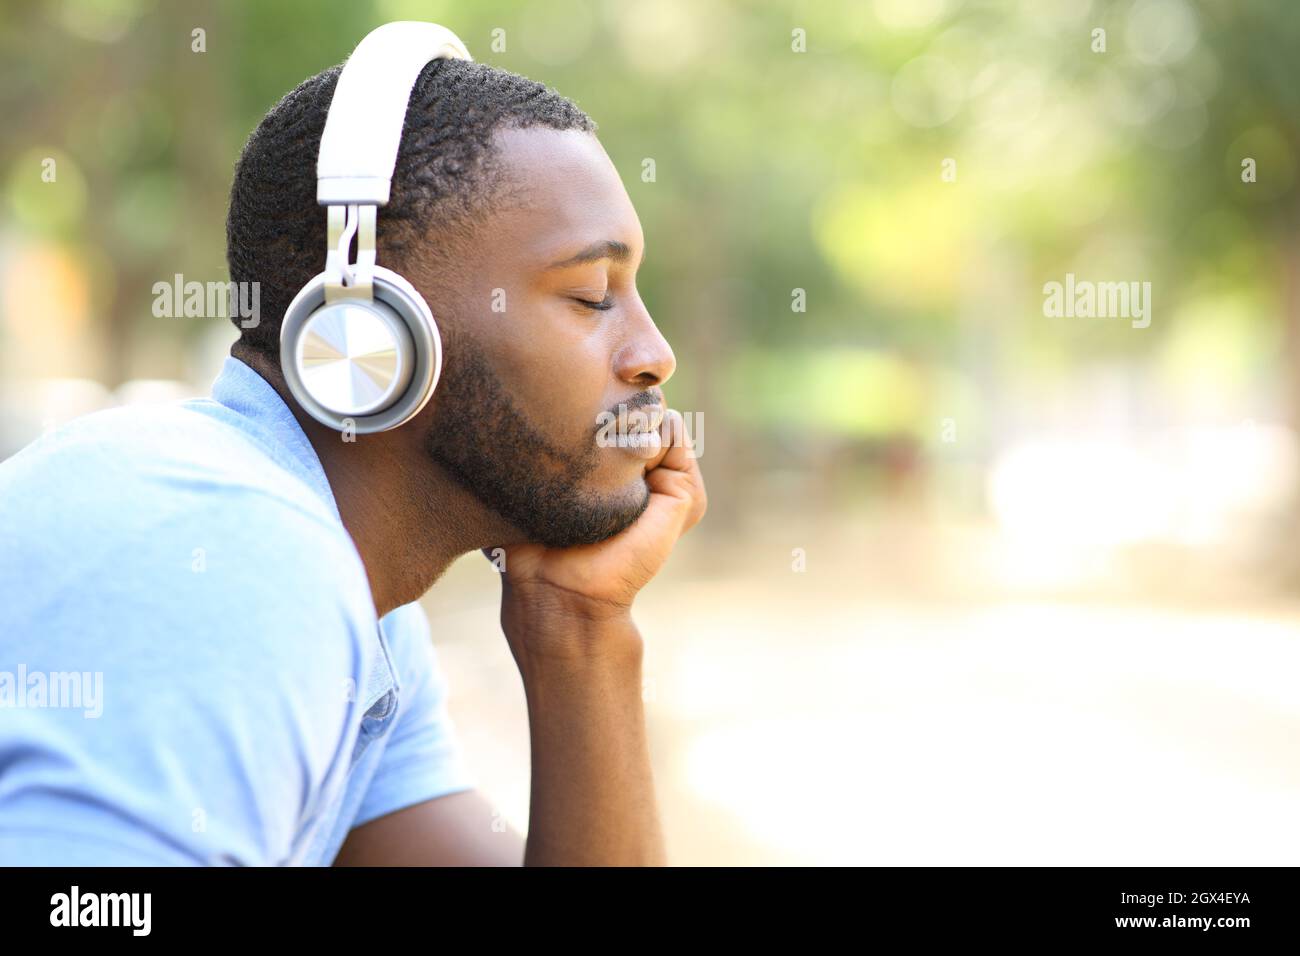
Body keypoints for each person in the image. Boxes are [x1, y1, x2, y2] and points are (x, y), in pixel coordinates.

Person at [0, 47, 705, 866]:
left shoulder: (358, 597)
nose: (654, 353)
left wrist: (581, 628)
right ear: (369, 330)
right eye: (592, 296)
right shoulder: (227, 548)